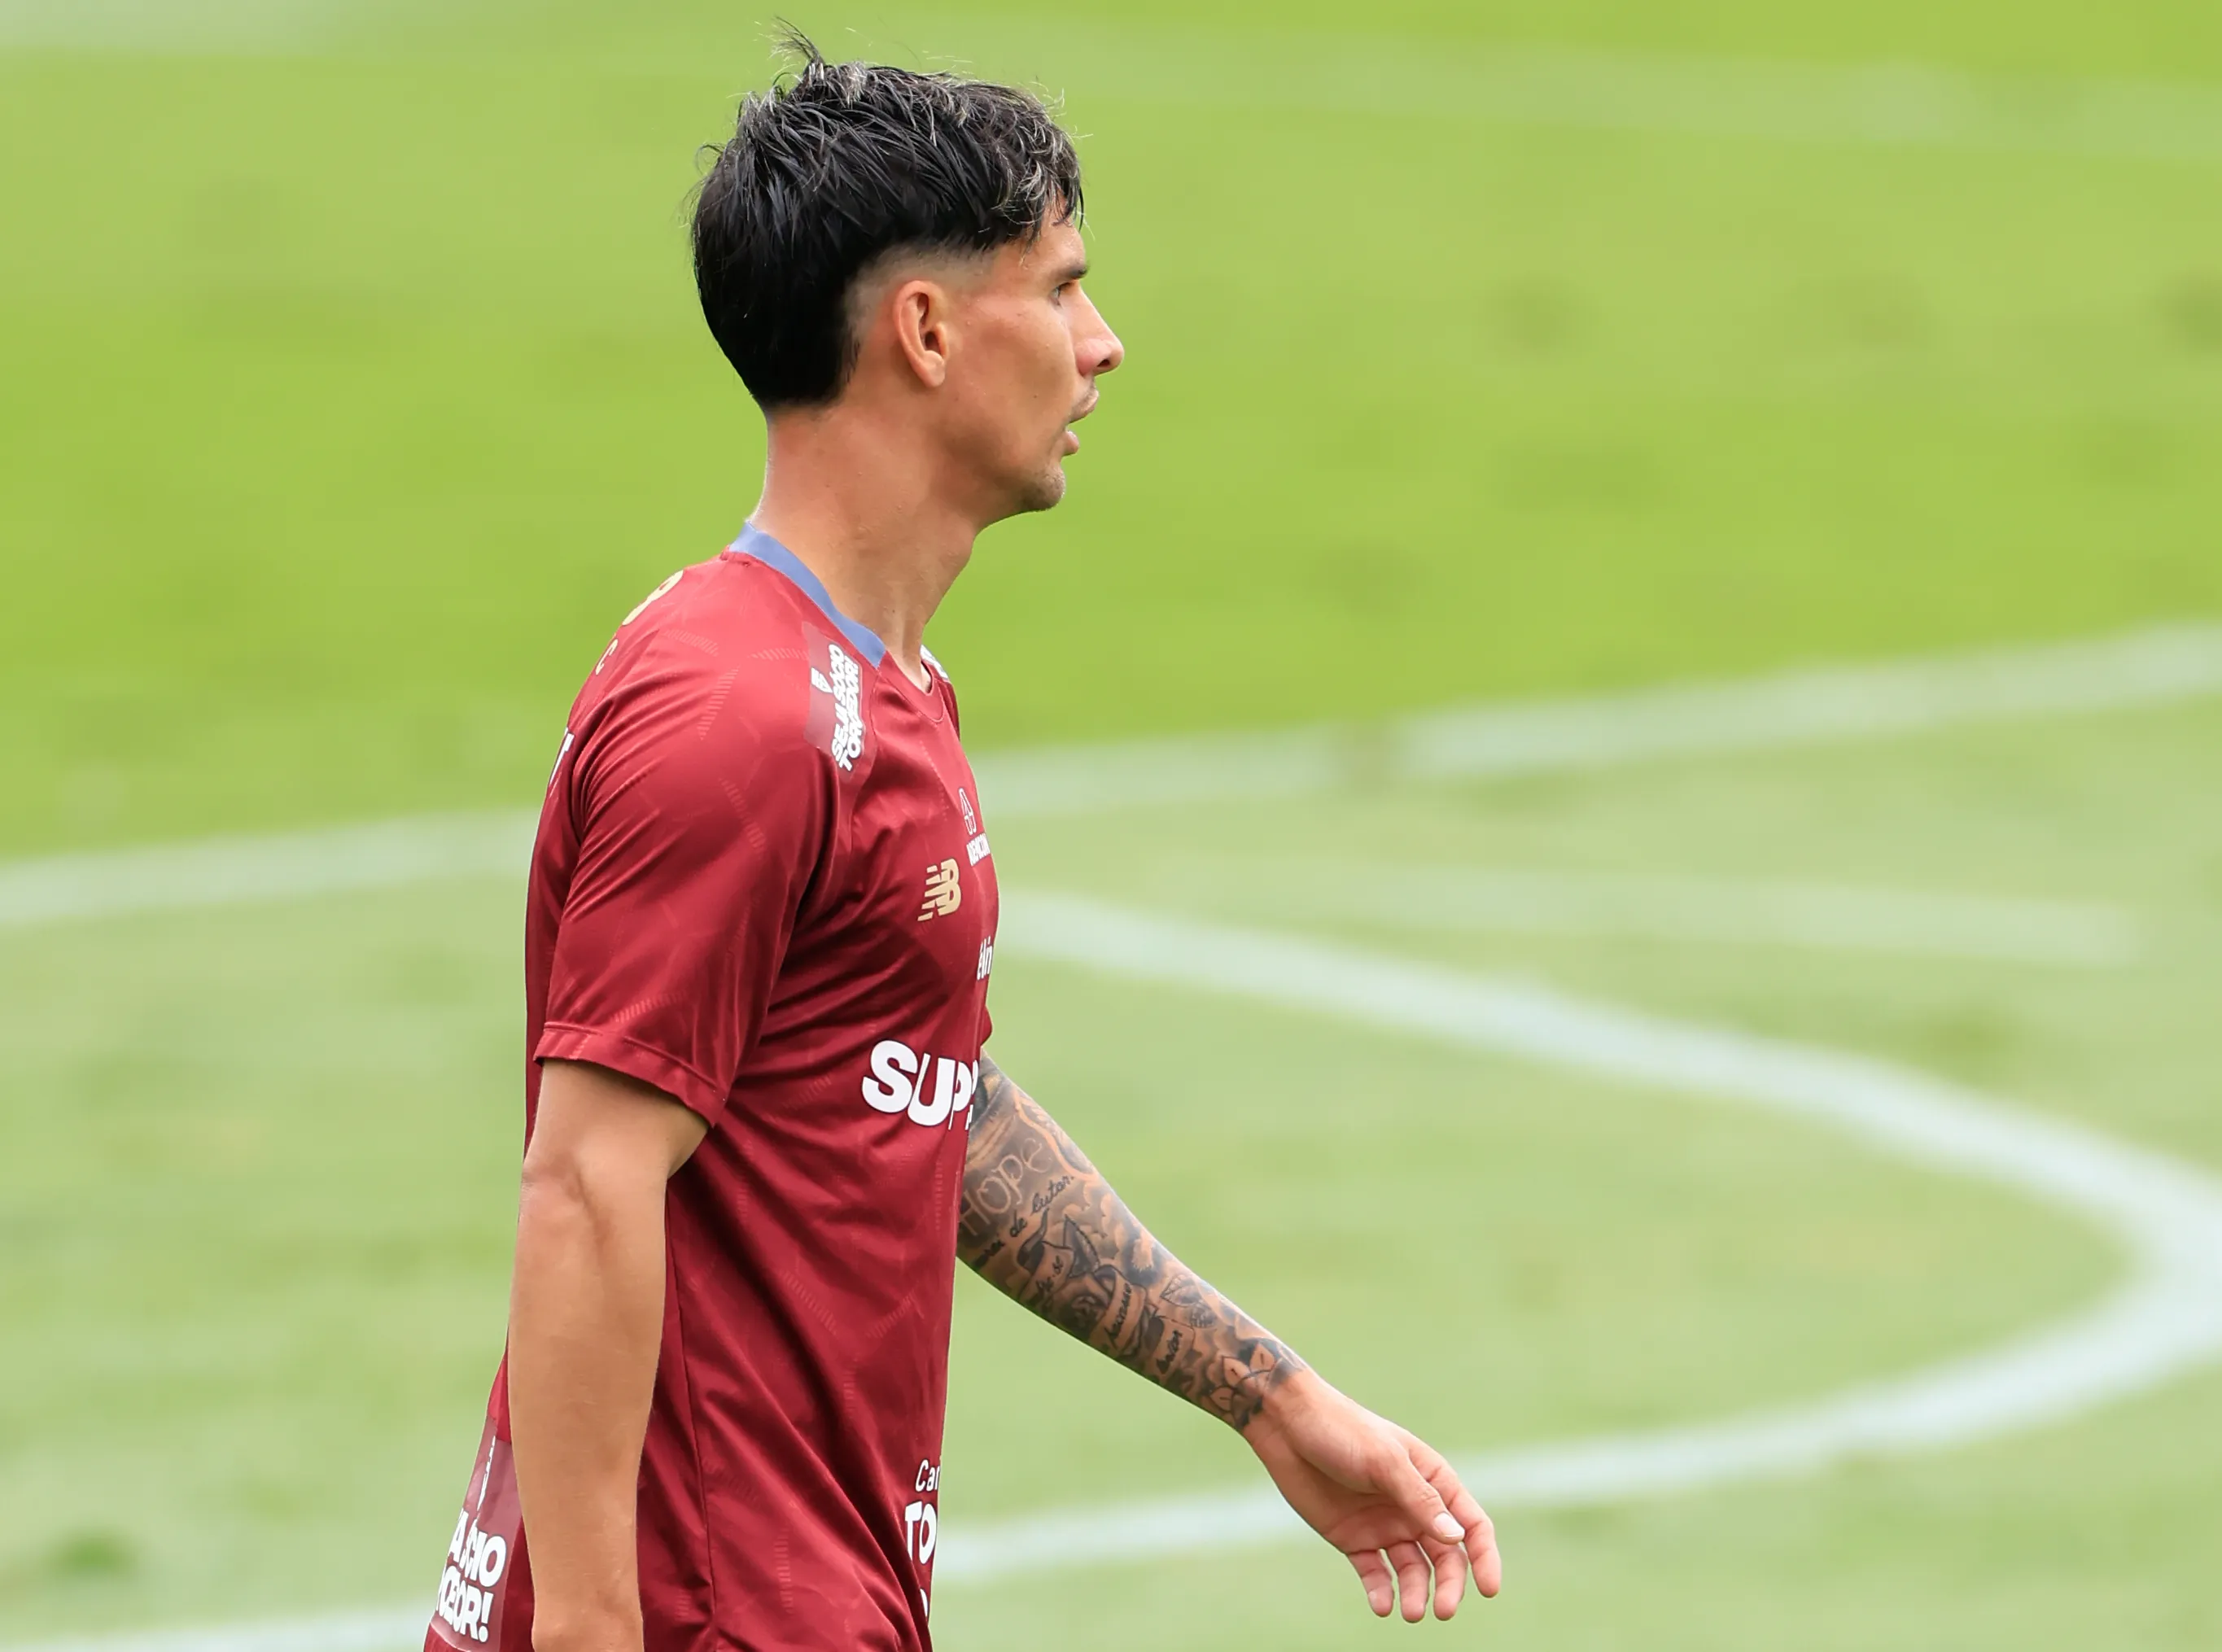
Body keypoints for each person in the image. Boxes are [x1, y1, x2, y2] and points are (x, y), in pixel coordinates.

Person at [422, 37, 1501, 1652]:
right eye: (1058, 289)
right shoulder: (739, 714)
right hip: (713, 1609)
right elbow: (586, 1184)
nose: (1102, 343)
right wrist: (587, 1632)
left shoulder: (875, 694)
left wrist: (1268, 1397)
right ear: (925, 330)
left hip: (816, 1591)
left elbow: (930, 1091)